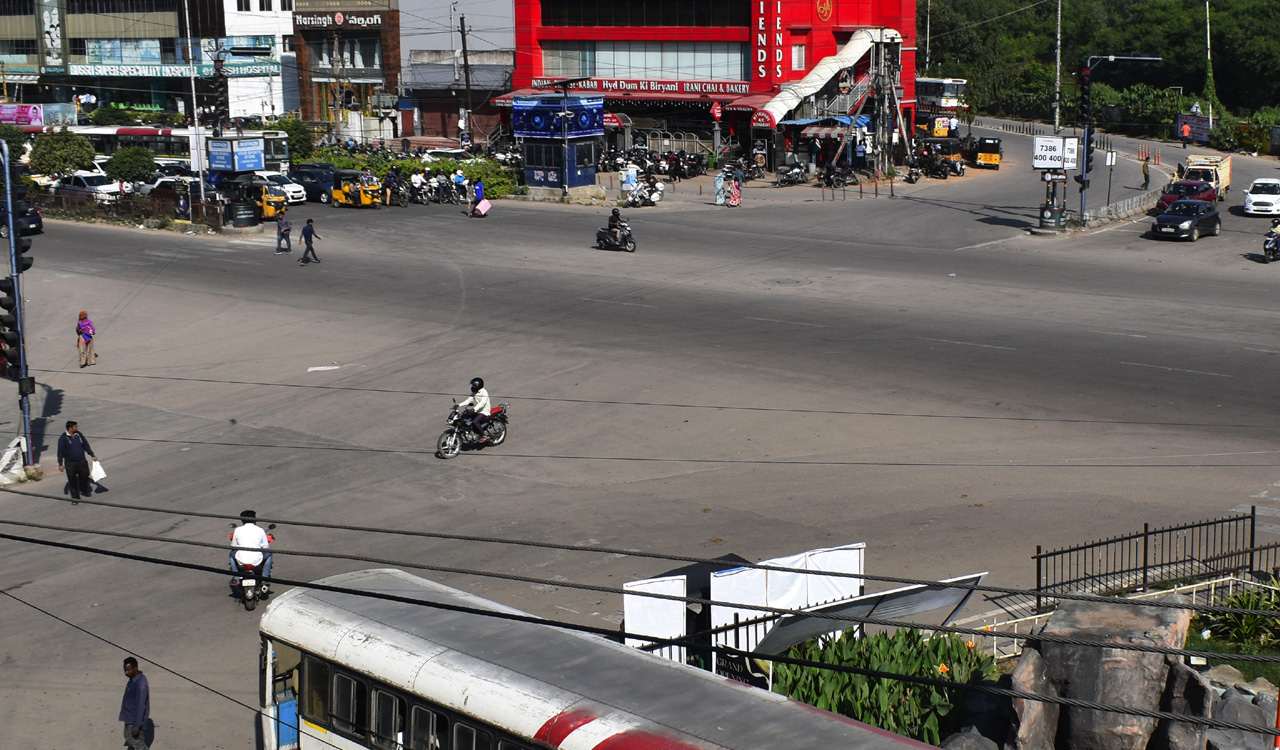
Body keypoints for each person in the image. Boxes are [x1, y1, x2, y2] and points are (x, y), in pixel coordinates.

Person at [229, 509, 273, 586]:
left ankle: (236, 578)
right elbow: (266, 546)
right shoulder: (260, 530)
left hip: (241, 560)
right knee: (269, 553)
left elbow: (233, 546)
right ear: (254, 520)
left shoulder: (238, 530)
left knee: (231, 554)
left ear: (242, 520)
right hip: (257, 560)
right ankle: (265, 578)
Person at [57, 420, 97, 501]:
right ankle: (75, 497)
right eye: (75, 427)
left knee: (85, 476)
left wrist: (92, 455)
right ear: (70, 428)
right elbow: (60, 452)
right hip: (70, 464)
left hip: (81, 461)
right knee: (72, 480)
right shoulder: (63, 438)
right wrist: (60, 464)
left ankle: (84, 490)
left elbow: (86, 445)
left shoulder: (79, 435)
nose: (77, 428)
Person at [119, 657, 150, 750]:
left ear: (135, 668)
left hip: (134, 721)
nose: (126, 673)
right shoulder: (134, 678)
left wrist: (136, 727)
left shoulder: (140, 685)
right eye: (125, 670)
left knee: (138, 745)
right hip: (129, 717)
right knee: (128, 738)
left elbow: (140, 707)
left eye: (128, 670)